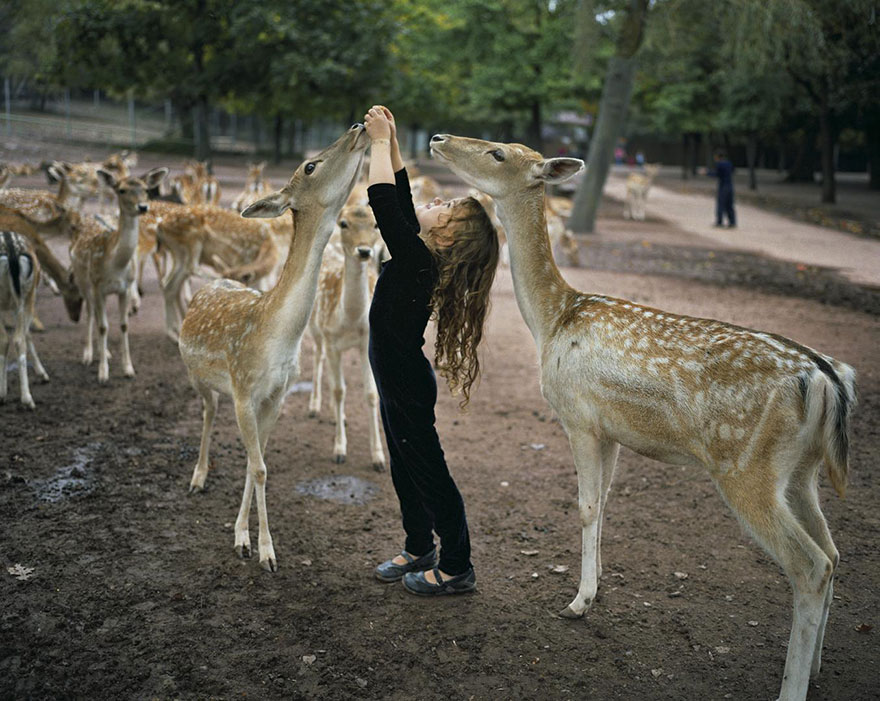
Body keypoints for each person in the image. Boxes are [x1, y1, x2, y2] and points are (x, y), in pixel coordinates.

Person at [363, 105, 499, 596]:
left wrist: (378, 144)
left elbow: (383, 205)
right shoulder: (421, 254)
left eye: (444, 207)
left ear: (442, 237)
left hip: (405, 382)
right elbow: (399, 199)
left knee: (428, 470)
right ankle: (419, 545)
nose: (435, 201)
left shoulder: (420, 261)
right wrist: (394, 143)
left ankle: (458, 564)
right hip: (396, 379)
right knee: (404, 465)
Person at [710, 149, 736, 228]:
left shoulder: (719, 164)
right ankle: (732, 222)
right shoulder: (729, 163)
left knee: (721, 204)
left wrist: (707, 172)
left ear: (717, 157)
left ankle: (719, 222)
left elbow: (717, 174)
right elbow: (733, 171)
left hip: (723, 186)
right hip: (730, 185)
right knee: (729, 205)